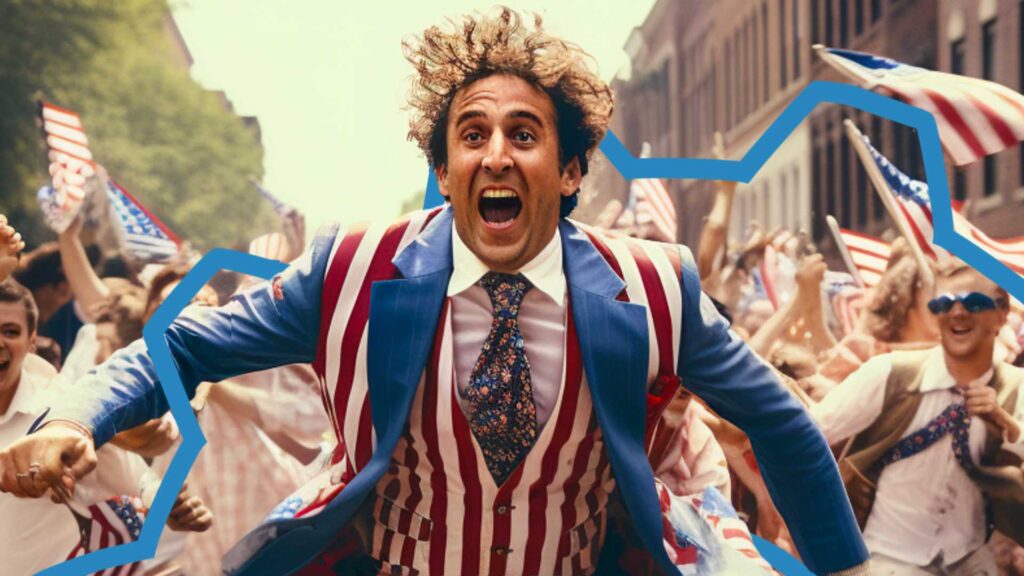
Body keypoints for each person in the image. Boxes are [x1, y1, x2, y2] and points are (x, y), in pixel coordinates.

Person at [0, 10, 868, 576]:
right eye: (472, 134)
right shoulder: (351, 270)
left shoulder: (653, 285)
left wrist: (849, 568)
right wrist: (74, 419)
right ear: (446, 171)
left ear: (570, 169)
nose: (495, 154)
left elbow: (781, 423)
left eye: (524, 134)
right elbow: (182, 347)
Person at [812, 260, 1024, 575]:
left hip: (969, 561)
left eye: (973, 303)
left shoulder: (1018, 388)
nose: (957, 313)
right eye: (944, 303)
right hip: (885, 559)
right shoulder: (889, 372)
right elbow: (807, 434)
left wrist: (1005, 423)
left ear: (1001, 314)